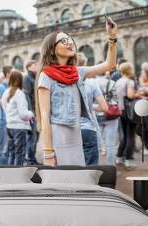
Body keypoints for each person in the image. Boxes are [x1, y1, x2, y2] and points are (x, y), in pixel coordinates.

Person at [36, 18, 117, 166]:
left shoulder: (77, 72)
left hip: (76, 132)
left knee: (77, 177)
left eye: (70, 39)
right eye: (63, 41)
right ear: (52, 50)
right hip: (58, 135)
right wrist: (48, 152)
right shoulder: (46, 75)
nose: (69, 42)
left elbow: (110, 65)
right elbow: (45, 115)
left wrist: (112, 37)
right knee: (61, 182)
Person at [77, 53, 109, 165]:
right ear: (85, 66)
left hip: (70, 130)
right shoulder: (92, 83)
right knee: (91, 169)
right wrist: (90, 106)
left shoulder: (64, 82)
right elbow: (104, 107)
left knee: (73, 168)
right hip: (87, 128)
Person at [1, 71, 34, 166]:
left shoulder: (5, 92)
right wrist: (31, 114)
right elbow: (23, 114)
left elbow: (5, 109)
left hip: (9, 126)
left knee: (12, 153)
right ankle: (17, 176)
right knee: (20, 153)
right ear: (20, 80)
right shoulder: (19, 93)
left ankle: (10, 175)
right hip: (19, 127)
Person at [115, 62, 142, 169]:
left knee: (125, 135)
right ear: (129, 70)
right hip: (129, 111)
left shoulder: (118, 82)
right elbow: (130, 95)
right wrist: (138, 94)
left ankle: (119, 157)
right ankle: (128, 159)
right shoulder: (129, 82)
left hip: (121, 110)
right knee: (130, 135)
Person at [96, 71, 119, 166]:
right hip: (111, 115)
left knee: (97, 141)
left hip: (97, 113)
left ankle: (94, 166)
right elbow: (117, 99)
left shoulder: (92, 83)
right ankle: (111, 166)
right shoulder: (112, 83)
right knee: (110, 142)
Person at [0, 66, 13, 165]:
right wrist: (9, 99)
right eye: (13, 72)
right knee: (4, 146)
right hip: (4, 120)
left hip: (11, 120)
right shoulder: (1, 87)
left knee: (10, 145)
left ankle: (8, 166)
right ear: (8, 74)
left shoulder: (13, 86)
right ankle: (2, 166)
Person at [23, 60, 40, 165]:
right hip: (32, 113)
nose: (37, 66)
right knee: (32, 137)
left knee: (35, 136)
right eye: (35, 65)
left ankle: (31, 158)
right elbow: (27, 97)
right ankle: (30, 160)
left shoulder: (35, 77)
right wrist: (32, 113)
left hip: (37, 112)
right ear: (29, 67)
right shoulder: (27, 79)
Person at [138, 62, 148, 155]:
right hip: (141, 109)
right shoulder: (141, 83)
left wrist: (144, 92)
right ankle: (147, 145)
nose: (141, 75)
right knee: (142, 128)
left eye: (143, 73)